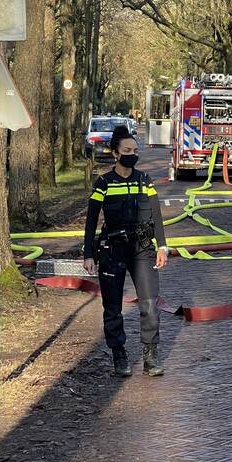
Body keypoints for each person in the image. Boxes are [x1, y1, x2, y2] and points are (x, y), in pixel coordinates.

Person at [82, 126, 170, 377]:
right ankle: (119, 354)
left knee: (150, 303)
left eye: (135, 150)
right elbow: (91, 220)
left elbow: (156, 215)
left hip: (142, 249)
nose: (132, 155)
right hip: (113, 250)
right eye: (127, 150)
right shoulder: (104, 183)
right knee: (112, 306)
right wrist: (89, 254)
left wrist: (162, 246)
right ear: (115, 153)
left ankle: (150, 355)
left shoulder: (145, 180)